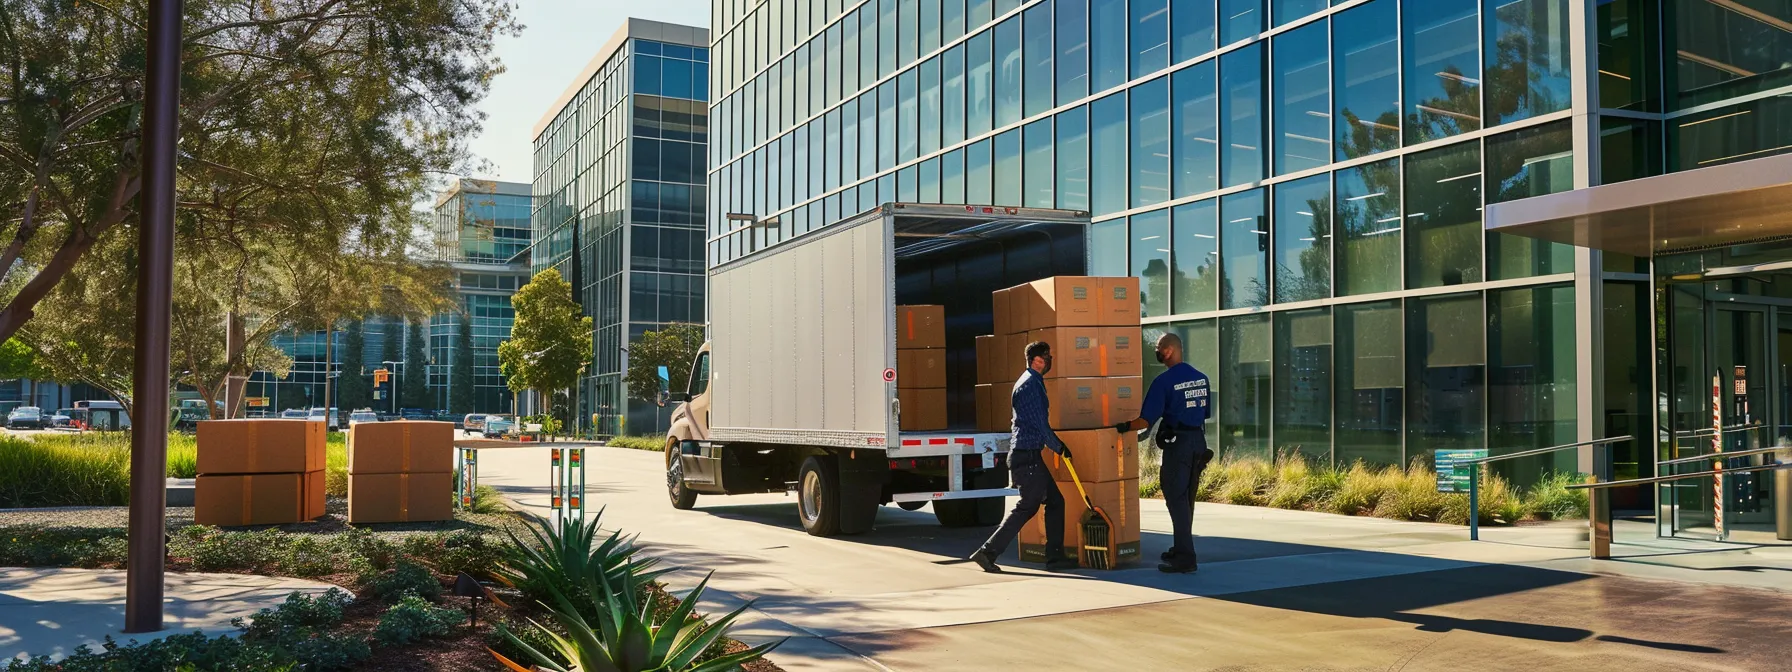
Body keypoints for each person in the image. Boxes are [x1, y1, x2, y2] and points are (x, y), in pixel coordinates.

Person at [969, 341, 1077, 573]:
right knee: (1028, 506)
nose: (1050, 361)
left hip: (1029, 456)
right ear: (1037, 360)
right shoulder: (1030, 386)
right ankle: (988, 552)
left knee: (1055, 501)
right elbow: (1040, 425)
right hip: (1026, 457)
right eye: (1047, 356)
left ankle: (1055, 557)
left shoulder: (1033, 382)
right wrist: (1059, 447)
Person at [1113, 332, 1212, 573]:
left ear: (1168, 351)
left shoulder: (1164, 382)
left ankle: (1186, 558)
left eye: (1159, 348)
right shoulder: (1201, 378)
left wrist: (1121, 427)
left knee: (1175, 498)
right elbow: (1205, 413)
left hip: (1178, 445)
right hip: (1198, 442)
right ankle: (1181, 547)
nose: (1157, 352)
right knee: (1187, 498)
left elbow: (1145, 420)